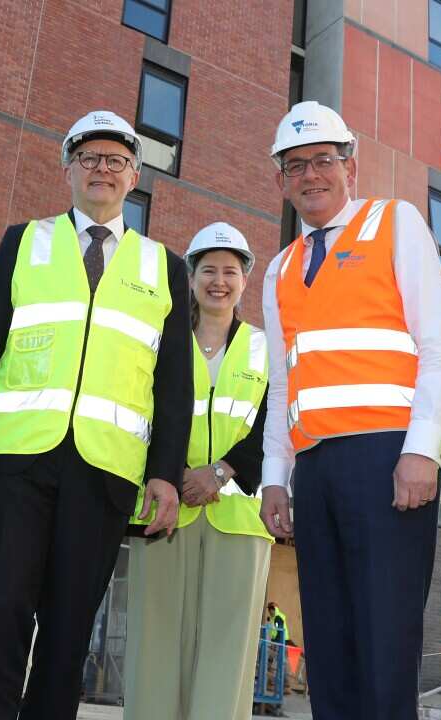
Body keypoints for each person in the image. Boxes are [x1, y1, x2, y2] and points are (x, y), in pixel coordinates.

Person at [0, 109, 190, 720]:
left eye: (115, 160)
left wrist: (164, 471)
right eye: (89, 158)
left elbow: (174, 383)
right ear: (68, 170)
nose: (101, 170)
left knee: (68, 627)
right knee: (0, 614)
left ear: (134, 176)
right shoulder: (23, 241)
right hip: (18, 461)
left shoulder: (165, 267)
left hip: (105, 470)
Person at [258, 101, 441, 719]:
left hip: (387, 460)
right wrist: (275, 478)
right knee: (328, 641)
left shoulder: (393, 223)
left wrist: (421, 451)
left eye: (324, 159)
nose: (311, 175)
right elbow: (280, 383)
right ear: (281, 180)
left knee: (385, 641)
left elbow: (440, 348)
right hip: (315, 471)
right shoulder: (279, 268)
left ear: (351, 165)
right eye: (296, 165)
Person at [122, 222, 273, 720]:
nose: (219, 281)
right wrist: (172, 473)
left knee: (228, 652)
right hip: (166, 505)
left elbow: (277, 423)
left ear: (245, 280)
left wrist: (222, 472)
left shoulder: (265, 348)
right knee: (155, 640)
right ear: (190, 277)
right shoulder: (159, 341)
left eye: (231, 271)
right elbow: (137, 410)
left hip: (240, 514)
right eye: (208, 269)